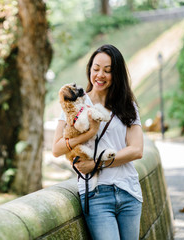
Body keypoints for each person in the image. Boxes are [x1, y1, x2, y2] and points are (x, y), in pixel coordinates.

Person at [52, 44, 143, 240]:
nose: (100, 75)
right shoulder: (75, 104)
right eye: (96, 69)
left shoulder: (128, 106)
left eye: (107, 70)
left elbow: (136, 150)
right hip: (96, 195)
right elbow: (57, 148)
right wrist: (90, 132)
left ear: (116, 74)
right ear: (90, 70)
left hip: (128, 191)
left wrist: (96, 163)